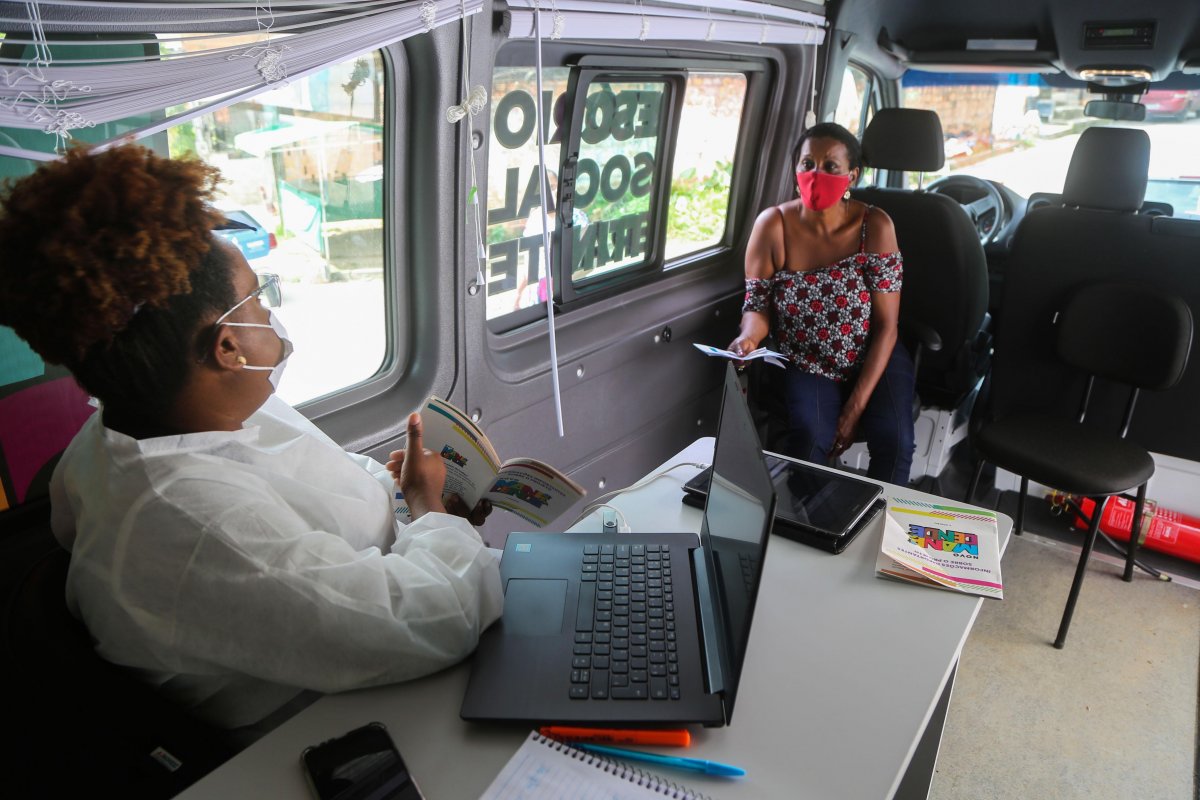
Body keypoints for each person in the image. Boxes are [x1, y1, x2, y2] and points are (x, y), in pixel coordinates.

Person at [0, 144, 503, 737]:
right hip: (314, 720)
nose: (269, 314)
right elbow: (435, 619)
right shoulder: (192, 523)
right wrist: (427, 509)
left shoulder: (175, 415)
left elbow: (321, 482)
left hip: (371, 633)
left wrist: (403, 492)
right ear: (227, 348)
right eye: (258, 301)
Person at [728, 122, 915, 484]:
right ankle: (814, 529)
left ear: (852, 174)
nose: (816, 174)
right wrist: (748, 340)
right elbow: (757, 306)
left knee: (896, 442)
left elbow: (886, 326)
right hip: (807, 358)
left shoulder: (875, 226)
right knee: (809, 441)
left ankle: (882, 528)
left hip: (873, 352)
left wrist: (853, 410)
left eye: (830, 167)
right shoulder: (773, 225)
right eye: (807, 163)